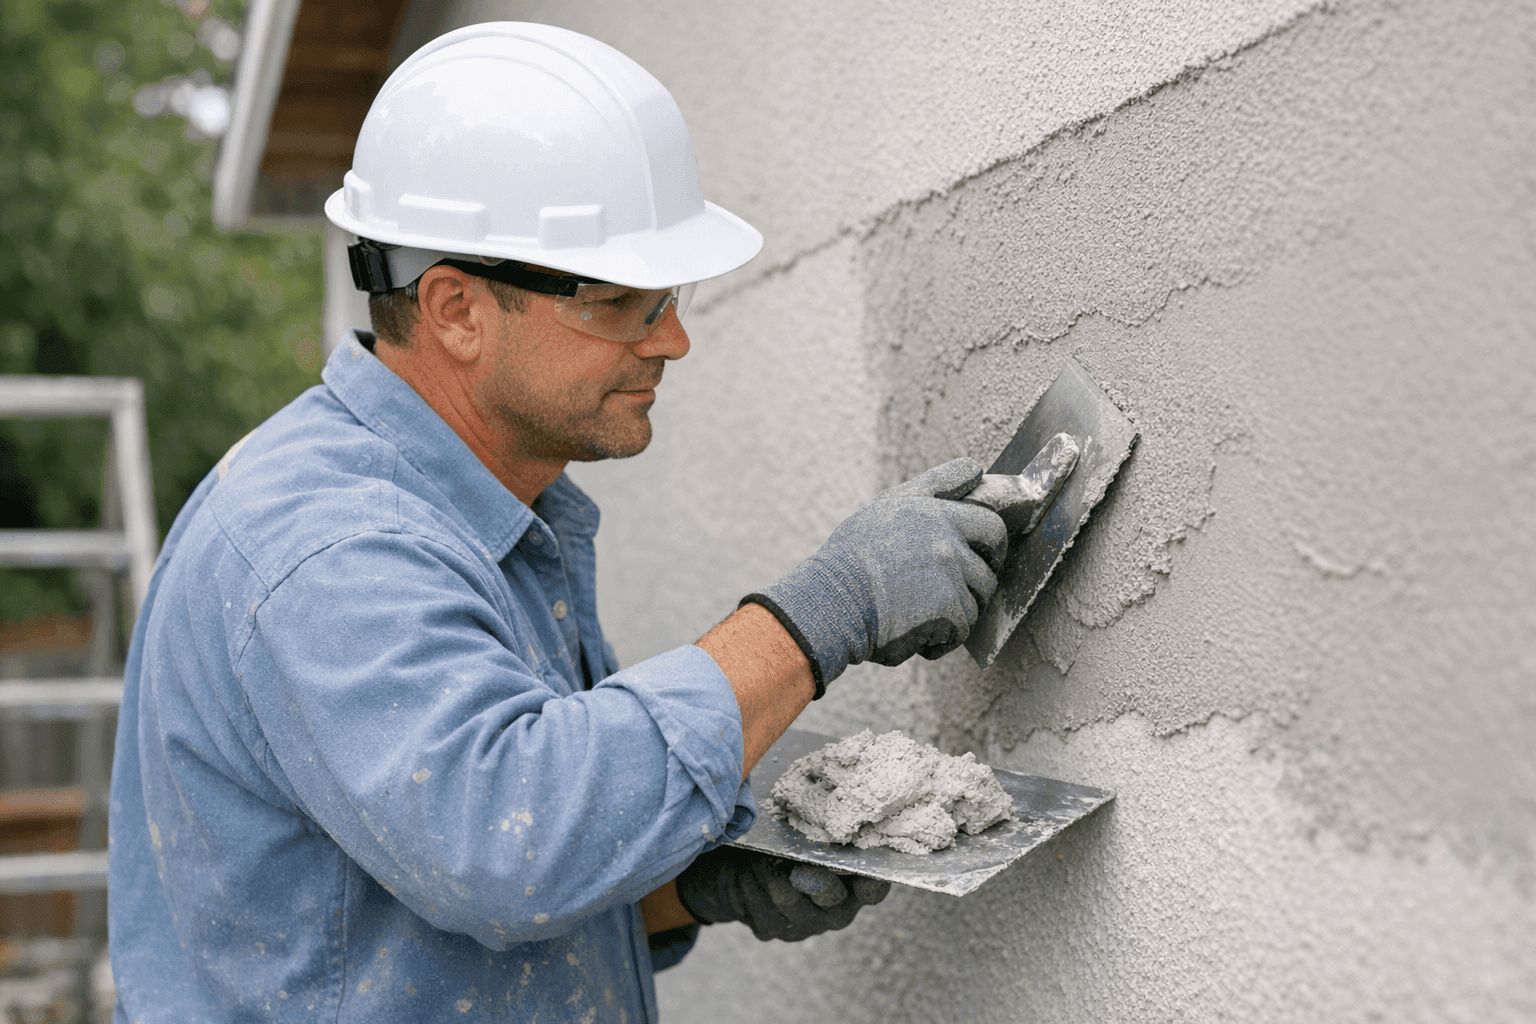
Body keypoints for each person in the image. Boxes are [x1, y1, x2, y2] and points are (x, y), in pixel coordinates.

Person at [107, 23, 1060, 1023]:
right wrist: (823, 610)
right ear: (456, 309)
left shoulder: (478, 514)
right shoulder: (328, 547)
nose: (675, 338)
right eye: (622, 303)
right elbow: (506, 840)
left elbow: (404, 913)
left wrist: (684, 889)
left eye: (669, 296)